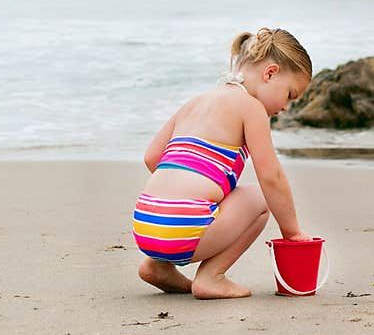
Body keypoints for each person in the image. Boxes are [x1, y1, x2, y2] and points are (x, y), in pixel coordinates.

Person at [132, 27, 313, 299]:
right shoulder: (251, 109)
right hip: (183, 231)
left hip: (145, 226)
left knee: (206, 202)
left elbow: (151, 157)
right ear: (270, 73)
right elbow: (270, 177)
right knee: (260, 201)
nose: (287, 107)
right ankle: (211, 277)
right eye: (290, 94)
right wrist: (292, 233)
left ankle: (157, 265)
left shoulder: (196, 102)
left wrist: (184, 191)